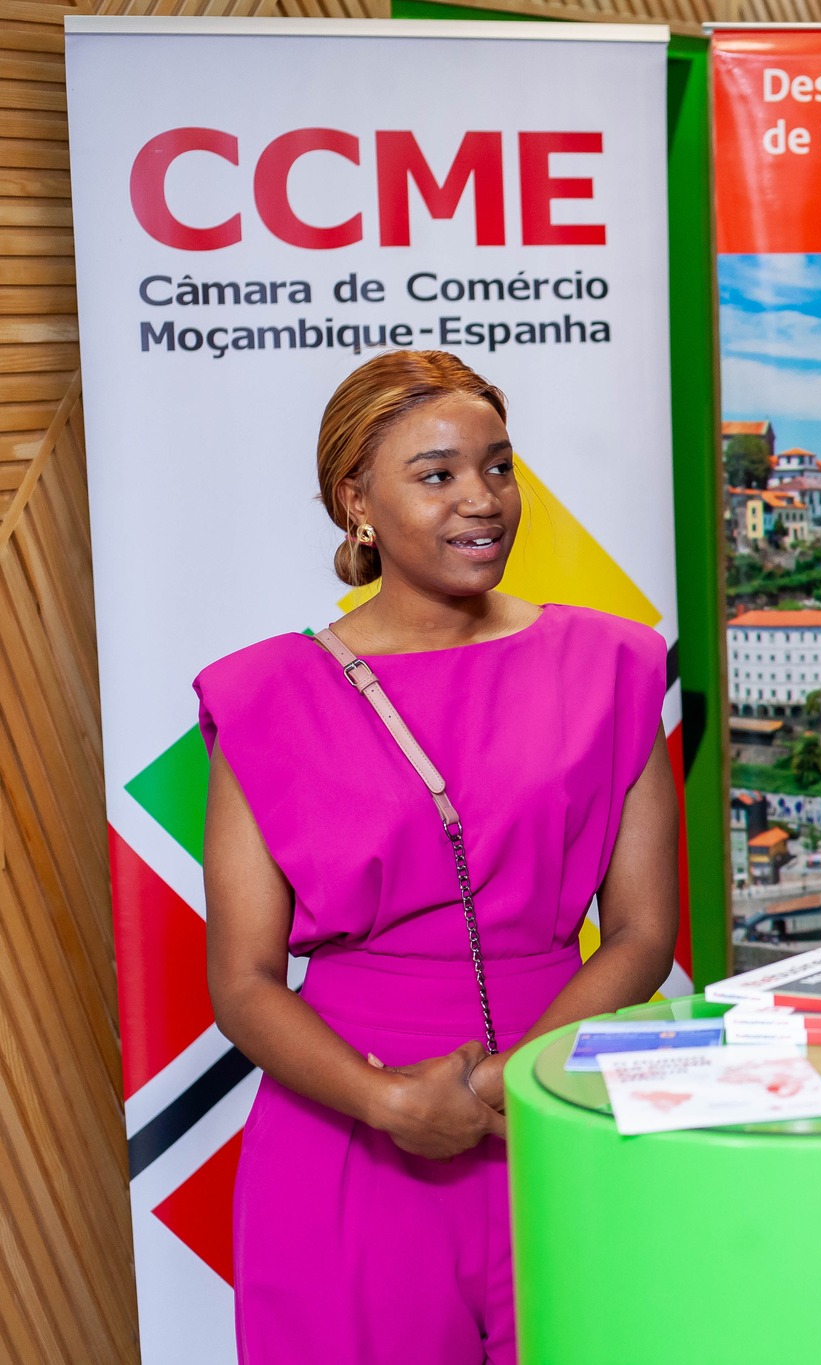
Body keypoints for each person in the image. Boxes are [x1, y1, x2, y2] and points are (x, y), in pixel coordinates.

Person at [202, 350, 680, 1364]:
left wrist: (509, 1081)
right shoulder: (265, 696)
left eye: (499, 466)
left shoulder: (614, 663)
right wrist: (389, 1101)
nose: (482, 499)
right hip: (349, 1131)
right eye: (437, 474)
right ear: (356, 503)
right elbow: (243, 981)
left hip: (561, 1105)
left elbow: (642, 933)